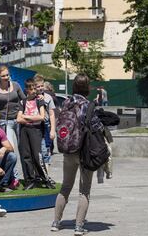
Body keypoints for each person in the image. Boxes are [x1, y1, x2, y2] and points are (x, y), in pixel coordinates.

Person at [51, 74, 104, 236]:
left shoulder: (67, 102)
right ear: (88, 87)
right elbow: (97, 126)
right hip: (84, 151)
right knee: (84, 190)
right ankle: (79, 226)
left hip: (68, 150)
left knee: (66, 187)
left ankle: (56, 222)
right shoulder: (87, 105)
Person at [17, 78, 55, 190]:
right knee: (26, 155)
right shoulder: (22, 102)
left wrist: (26, 117)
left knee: (37, 156)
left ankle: (45, 179)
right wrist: (28, 119)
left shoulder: (39, 101)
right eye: (31, 89)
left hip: (36, 130)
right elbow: (18, 119)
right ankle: (30, 180)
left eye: (35, 88)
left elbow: (41, 117)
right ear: (26, 90)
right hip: (24, 130)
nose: (34, 91)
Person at [0, 64, 26, 155]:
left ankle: (26, 169)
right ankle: (14, 169)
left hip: (19, 120)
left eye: (7, 75)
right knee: (11, 148)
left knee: (23, 147)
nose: (6, 77)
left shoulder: (16, 85)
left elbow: (24, 100)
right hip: (5, 122)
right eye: (3, 76)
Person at [34, 74, 56, 168]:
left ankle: (46, 173)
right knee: (36, 150)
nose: (40, 88)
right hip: (34, 126)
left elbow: (52, 114)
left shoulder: (48, 97)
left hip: (46, 125)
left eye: (42, 86)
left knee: (45, 150)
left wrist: (52, 130)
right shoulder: (31, 97)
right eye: (38, 86)